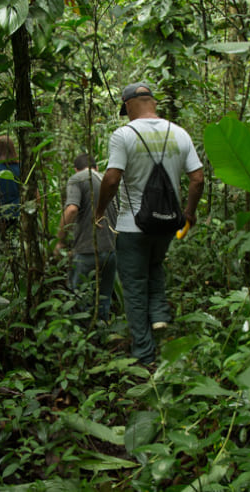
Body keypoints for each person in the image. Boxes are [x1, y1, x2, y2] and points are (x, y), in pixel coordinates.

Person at [94, 82, 205, 366]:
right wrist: (189, 214)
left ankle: (144, 356)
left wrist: (99, 210)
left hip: (134, 227)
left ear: (129, 105)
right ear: (153, 102)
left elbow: (112, 177)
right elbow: (198, 178)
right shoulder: (179, 133)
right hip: (168, 224)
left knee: (133, 287)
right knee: (155, 265)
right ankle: (159, 317)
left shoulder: (124, 135)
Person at [56, 153, 118, 321]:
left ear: (76, 169)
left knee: (78, 299)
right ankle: (102, 335)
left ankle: (82, 340)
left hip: (87, 250)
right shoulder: (107, 180)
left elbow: (72, 210)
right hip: (111, 250)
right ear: (96, 167)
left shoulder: (77, 178)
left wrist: (60, 241)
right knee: (104, 298)